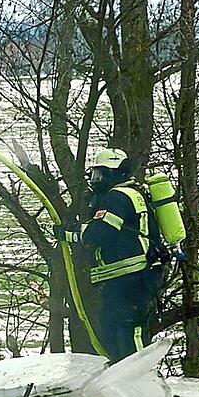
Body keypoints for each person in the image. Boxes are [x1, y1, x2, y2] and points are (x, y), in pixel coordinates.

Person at [64, 148, 165, 362]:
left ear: (113, 173)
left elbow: (99, 234)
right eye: (94, 175)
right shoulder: (130, 194)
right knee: (114, 331)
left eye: (99, 175)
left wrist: (71, 233)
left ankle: (141, 380)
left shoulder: (117, 197)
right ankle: (124, 380)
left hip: (131, 278)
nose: (95, 180)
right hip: (127, 278)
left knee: (131, 332)